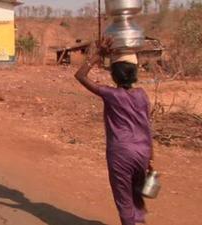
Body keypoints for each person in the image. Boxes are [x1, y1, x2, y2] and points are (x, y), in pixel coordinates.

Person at [74, 38, 154, 225]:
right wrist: (150, 156)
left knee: (124, 200)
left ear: (114, 76)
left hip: (121, 153)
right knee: (137, 196)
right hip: (142, 152)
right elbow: (147, 126)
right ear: (135, 74)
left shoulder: (111, 95)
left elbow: (80, 76)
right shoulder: (142, 95)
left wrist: (98, 55)